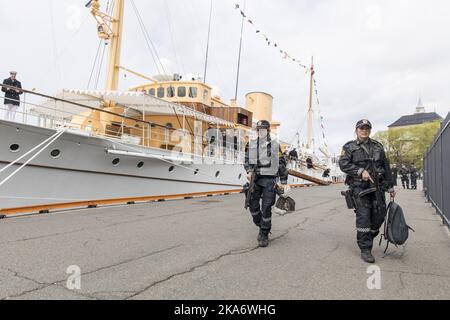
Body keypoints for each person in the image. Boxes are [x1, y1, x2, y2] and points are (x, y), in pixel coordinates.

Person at [339, 119, 395, 263]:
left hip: (378, 187)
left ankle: (368, 238)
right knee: (364, 218)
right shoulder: (349, 147)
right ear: (356, 130)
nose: (364, 131)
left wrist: (390, 186)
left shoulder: (378, 146)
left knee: (379, 217)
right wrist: (359, 171)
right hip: (359, 188)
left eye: (367, 128)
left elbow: (386, 166)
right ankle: (365, 249)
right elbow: (343, 164)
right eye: (361, 128)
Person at [244, 120, 288, 247]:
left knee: (267, 207)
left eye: (263, 129)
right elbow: (247, 160)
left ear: (267, 131)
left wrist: (283, 182)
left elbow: (281, 163)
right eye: (258, 129)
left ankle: (264, 233)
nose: (260, 131)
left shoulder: (274, 145)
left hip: (269, 179)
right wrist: (248, 171)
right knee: (252, 205)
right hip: (255, 179)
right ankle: (260, 224)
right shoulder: (251, 144)